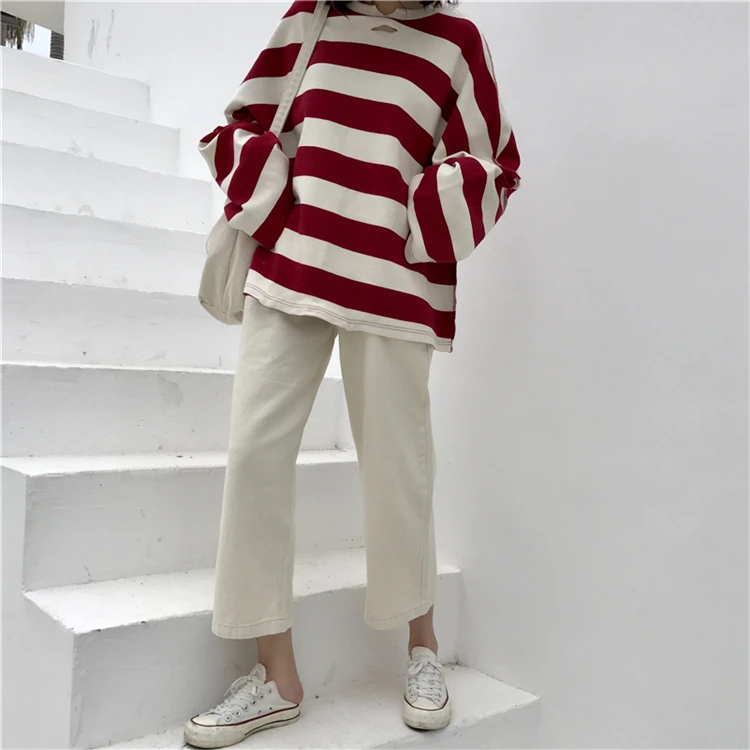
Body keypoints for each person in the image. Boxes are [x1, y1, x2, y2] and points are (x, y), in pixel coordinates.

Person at [185, 0, 520, 746]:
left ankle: (422, 649)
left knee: (400, 471)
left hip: (393, 289)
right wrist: (274, 201)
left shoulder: (456, 44)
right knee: (255, 455)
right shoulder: (312, 18)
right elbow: (244, 119)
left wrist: (421, 217)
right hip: (291, 270)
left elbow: (495, 160)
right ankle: (275, 674)